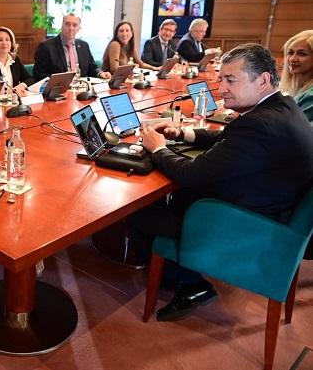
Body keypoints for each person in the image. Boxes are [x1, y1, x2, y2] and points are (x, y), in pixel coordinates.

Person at [129, 43, 313, 322]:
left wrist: (157, 148)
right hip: (276, 208)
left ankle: (190, 284)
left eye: (230, 80)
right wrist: (182, 133)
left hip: (249, 225)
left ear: (262, 80)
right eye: (221, 79)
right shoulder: (282, 106)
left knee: (140, 213)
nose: (221, 88)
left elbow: (189, 174)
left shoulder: (260, 124)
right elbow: (232, 138)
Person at [33, 13, 110, 81]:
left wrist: (100, 73)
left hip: (81, 88)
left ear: (79, 29)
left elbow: (92, 66)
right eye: (67, 24)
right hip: (59, 90)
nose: (71, 28)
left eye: (74, 25)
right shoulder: (46, 47)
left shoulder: (84, 45)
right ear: (62, 26)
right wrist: (60, 79)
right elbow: (38, 74)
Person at [280, 30, 313, 124]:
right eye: (290, 53)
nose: (292, 59)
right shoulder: (296, 89)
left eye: (302, 54)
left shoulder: (310, 95)